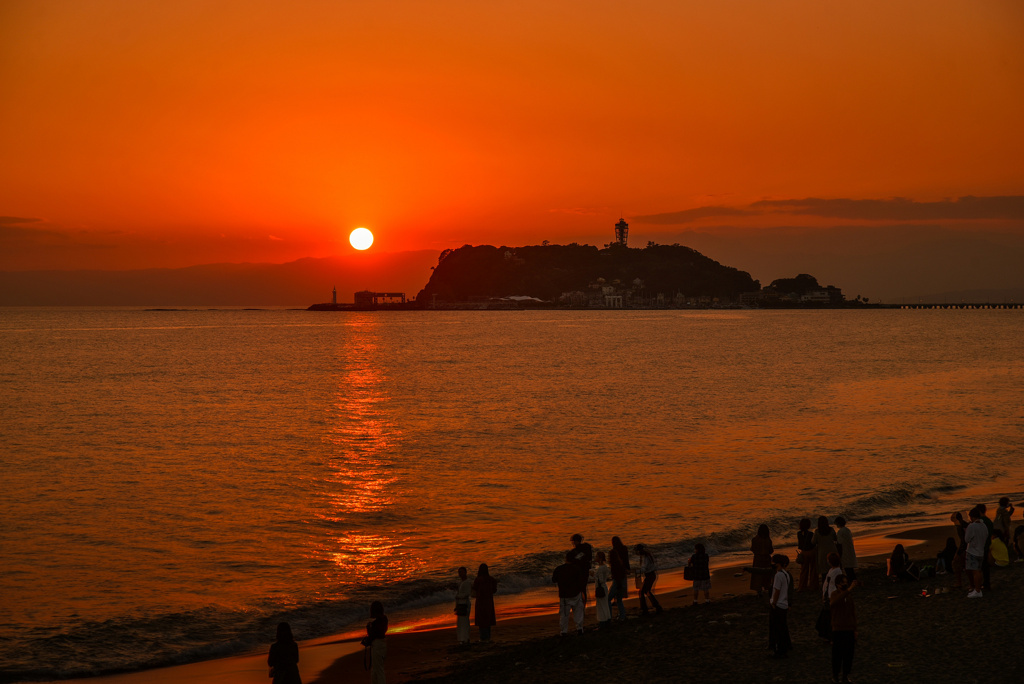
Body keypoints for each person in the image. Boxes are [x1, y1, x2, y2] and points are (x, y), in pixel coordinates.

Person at [829, 575, 858, 684]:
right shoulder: (834, 594)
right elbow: (834, 603)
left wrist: (855, 628)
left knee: (848, 655)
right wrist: (849, 589)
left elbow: (852, 612)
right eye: (843, 583)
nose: (845, 585)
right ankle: (835, 675)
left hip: (849, 629)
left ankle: (845, 675)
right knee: (837, 655)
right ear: (838, 584)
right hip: (838, 629)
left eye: (846, 582)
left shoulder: (849, 597)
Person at [553, 551, 586, 635]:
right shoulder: (577, 568)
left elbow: (554, 579)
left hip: (564, 595)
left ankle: (564, 631)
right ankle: (579, 629)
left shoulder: (559, 569)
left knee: (564, 614)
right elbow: (581, 582)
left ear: (566, 558)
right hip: (576, 593)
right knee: (578, 612)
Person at [768, 554, 792, 658]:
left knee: (777, 628)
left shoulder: (778, 575)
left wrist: (774, 602)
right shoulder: (786, 574)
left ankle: (780, 650)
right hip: (784, 604)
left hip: (778, 604)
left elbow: (777, 590)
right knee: (782, 627)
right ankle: (784, 647)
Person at [964, 508, 988, 597]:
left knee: (975, 571)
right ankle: (977, 589)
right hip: (981, 550)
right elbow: (986, 536)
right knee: (978, 571)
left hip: (973, 551)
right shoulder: (984, 526)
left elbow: (967, 539)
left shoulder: (972, 526)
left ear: (972, 517)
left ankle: (977, 590)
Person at [634, 543, 663, 615]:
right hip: (651, 575)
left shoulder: (645, 557)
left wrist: (635, 571)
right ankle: (655, 606)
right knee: (646, 591)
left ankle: (645, 609)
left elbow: (644, 569)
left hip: (650, 575)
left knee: (643, 591)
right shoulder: (648, 555)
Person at [362, 602, 388, 684]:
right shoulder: (384, 619)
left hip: (377, 646)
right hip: (382, 644)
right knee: (376, 670)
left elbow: (373, 636)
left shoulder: (375, 624)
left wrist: (369, 630)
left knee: (378, 670)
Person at [472, 563, 498, 641]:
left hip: (480, 601)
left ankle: (483, 637)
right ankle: (488, 636)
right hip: (489, 601)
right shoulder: (491, 579)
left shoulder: (478, 579)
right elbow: (494, 590)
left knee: (481, 620)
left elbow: (474, 589)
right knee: (488, 619)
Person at [607, 536, 630, 621]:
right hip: (623, 575)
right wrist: (628, 568)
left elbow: (614, 570)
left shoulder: (614, 554)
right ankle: (622, 615)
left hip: (618, 578)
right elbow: (627, 561)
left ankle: (609, 617)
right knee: (619, 598)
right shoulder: (624, 549)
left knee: (608, 599)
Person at [812, 517, 839, 585]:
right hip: (832, 550)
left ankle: (825, 585)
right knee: (834, 568)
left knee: (824, 571)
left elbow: (813, 542)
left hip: (822, 552)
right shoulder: (831, 530)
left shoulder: (817, 532)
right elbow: (835, 539)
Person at [749, 524, 774, 597]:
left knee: (757, 574)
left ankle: (759, 590)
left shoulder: (755, 539)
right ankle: (767, 587)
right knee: (766, 575)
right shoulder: (768, 540)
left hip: (758, 559)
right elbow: (771, 551)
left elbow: (752, 549)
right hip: (766, 558)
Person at [569, 534, 593, 605]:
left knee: (578, 590)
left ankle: (579, 605)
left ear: (575, 541)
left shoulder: (574, 552)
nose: (573, 543)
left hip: (578, 573)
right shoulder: (587, 548)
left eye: (573, 541)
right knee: (583, 589)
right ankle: (583, 605)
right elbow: (589, 558)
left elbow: (572, 563)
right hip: (585, 571)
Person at [592, 551, 612, 628]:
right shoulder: (605, 567)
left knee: (601, 606)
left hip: (600, 588)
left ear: (600, 558)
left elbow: (600, 580)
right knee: (605, 605)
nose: (595, 558)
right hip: (604, 587)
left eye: (597, 557)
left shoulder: (600, 568)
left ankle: (602, 622)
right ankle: (607, 620)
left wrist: (593, 575)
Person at [976, 504, 994, 590]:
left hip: (981, 545)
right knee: (985, 566)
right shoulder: (989, 521)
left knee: (981, 566)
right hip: (987, 544)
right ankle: (987, 583)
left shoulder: (981, 521)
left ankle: (984, 584)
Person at [796, 518, 817, 591]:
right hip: (811, 552)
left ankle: (802, 586)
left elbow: (800, 545)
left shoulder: (798, 534)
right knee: (813, 569)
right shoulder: (811, 534)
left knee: (804, 570)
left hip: (804, 552)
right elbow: (813, 544)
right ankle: (813, 585)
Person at [834, 516, 858, 581]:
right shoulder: (847, 530)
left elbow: (839, 543)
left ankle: (851, 581)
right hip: (849, 549)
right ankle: (853, 580)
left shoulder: (840, 532)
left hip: (845, 551)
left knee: (847, 568)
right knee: (850, 569)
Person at [454, 566, 472, 645]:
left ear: (465, 572)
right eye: (459, 572)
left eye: (461, 572)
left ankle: (465, 638)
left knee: (464, 622)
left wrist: (458, 596)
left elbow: (467, 593)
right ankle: (462, 639)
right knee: (461, 622)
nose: (460, 574)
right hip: (460, 603)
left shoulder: (467, 582)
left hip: (464, 604)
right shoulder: (461, 582)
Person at [950, 511, 968, 589]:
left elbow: (963, 540)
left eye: (953, 517)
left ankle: (959, 582)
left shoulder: (959, 526)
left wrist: (959, 552)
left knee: (955, 563)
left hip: (966, 548)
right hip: (969, 547)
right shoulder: (964, 524)